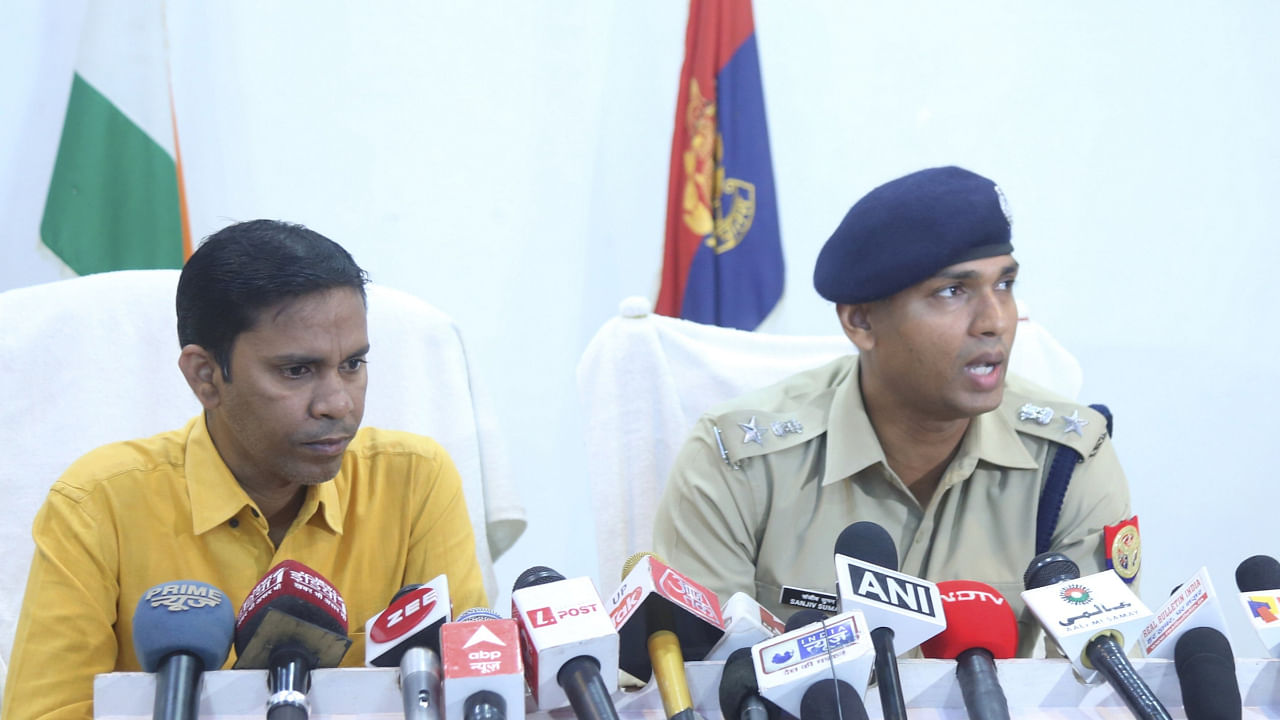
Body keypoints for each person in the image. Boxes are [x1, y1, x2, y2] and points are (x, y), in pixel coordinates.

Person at [2, 220, 488, 718]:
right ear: (206, 376)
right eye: (297, 370)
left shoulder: (414, 480)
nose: (338, 403)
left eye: (353, 364)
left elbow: (474, 687)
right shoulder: (96, 504)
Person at [652, 166, 1138, 657]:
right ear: (860, 321)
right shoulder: (739, 462)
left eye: (1006, 283)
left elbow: (1100, 688)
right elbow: (695, 691)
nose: (995, 321)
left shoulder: (1068, 459)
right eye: (954, 291)